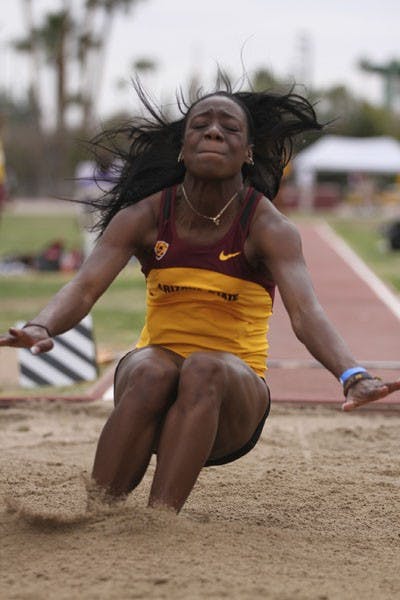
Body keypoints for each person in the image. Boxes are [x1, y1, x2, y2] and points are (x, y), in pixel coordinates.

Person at [1, 81, 399, 514]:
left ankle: (159, 520)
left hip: (233, 396)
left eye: (229, 128)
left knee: (203, 366)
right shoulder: (145, 216)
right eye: (200, 125)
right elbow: (83, 287)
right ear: (182, 146)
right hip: (151, 380)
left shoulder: (268, 227)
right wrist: (41, 325)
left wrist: (353, 375)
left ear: (248, 152)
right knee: (153, 368)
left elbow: (306, 314)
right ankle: (97, 510)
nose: (213, 132)